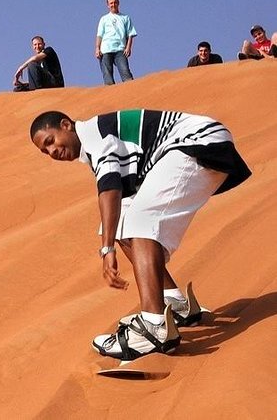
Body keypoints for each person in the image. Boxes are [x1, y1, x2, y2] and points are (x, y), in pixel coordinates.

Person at [29, 109, 251, 360]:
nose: (52, 152)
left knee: (141, 221)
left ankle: (154, 326)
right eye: (45, 151)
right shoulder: (97, 143)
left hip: (197, 141)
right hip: (193, 146)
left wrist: (107, 250)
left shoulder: (97, 136)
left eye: (50, 141)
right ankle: (175, 304)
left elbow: (109, 189)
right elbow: (120, 203)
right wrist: (111, 238)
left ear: (65, 125)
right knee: (123, 222)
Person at [95, 0, 137, 85]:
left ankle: (132, 93)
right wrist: (97, 48)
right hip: (105, 50)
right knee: (107, 76)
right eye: (111, 3)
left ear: (118, 3)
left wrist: (128, 47)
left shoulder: (125, 18)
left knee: (126, 73)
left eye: (115, 2)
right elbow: (99, 35)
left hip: (120, 50)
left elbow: (130, 34)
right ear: (107, 5)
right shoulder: (104, 19)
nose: (113, 5)